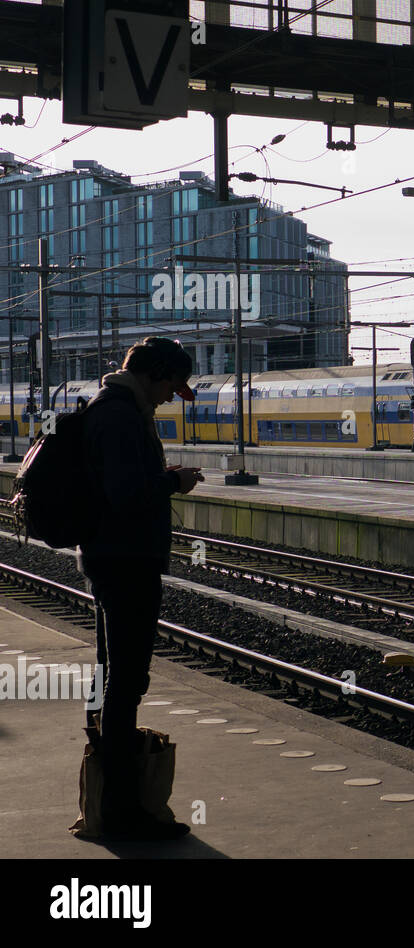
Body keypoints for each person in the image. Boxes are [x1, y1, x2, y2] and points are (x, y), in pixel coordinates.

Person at [79, 337, 204, 840]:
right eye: (171, 387)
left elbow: (120, 485)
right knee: (126, 683)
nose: (172, 397)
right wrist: (174, 483)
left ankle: (115, 805)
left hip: (112, 557)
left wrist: (162, 476)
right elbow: (126, 494)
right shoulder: (121, 416)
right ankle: (123, 811)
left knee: (116, 678)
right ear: (153, 374)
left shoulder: (112, 409)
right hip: (126, 562)